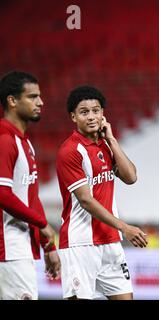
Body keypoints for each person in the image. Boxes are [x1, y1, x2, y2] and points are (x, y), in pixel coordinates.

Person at [56, 85, 148, 300]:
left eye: (96, 111)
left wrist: (112, 141)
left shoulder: (106, 146)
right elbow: (86, 200)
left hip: (110, 242)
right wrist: (125, 227)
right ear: (73, 117)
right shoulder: (70, 151)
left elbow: (131, 177)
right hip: (80, 244)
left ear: (103, 114)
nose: (91, 117)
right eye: (84, 112)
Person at [0, 70, 60, 300]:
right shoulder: (5, 140)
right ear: (12, 101)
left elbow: (31, 198)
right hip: (9, 248)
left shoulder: (24, 142)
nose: (41, 102)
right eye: (32, 97)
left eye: (40, 96)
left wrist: (48, 246)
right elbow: (3, 195)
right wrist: (42, 223)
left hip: (20, 245)